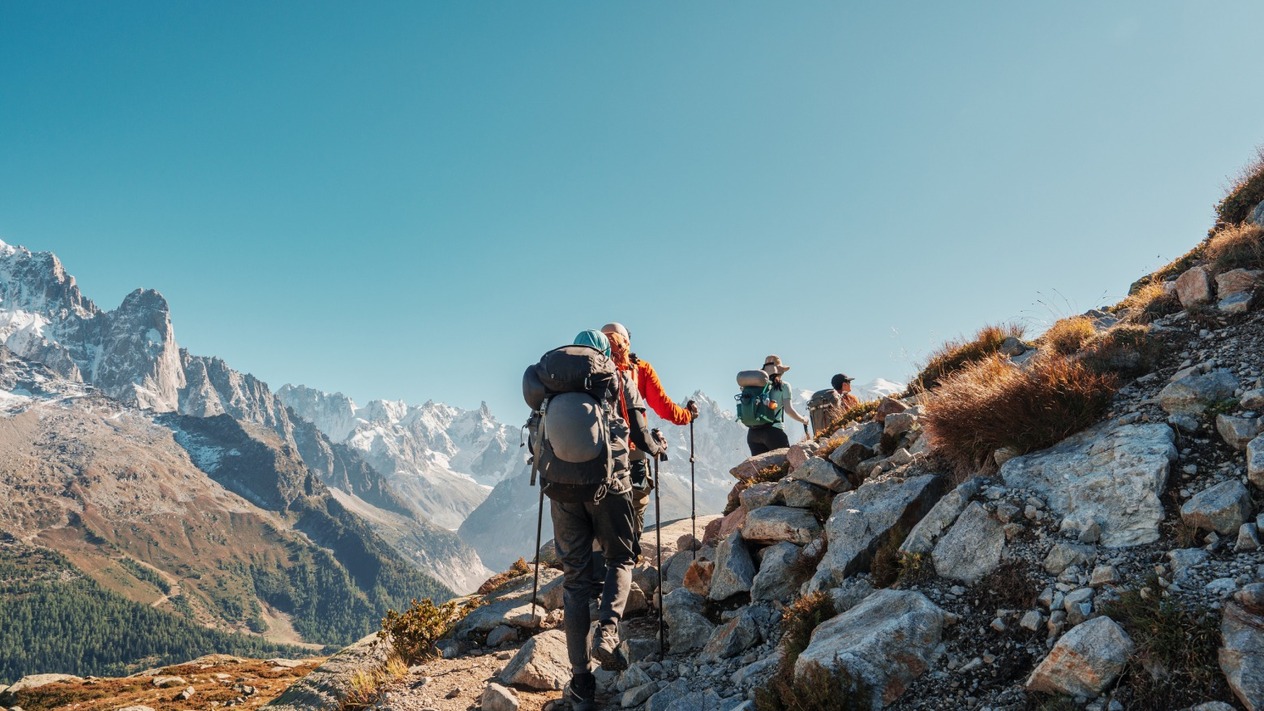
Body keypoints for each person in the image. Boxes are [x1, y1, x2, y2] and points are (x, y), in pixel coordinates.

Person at [553, 330, 666, 711]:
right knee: (620, 558)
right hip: (609, 487)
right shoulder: (616, 377)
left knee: (575, 582)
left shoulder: (555, 386)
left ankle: (582, 683)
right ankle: (607, 630)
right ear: (603, 354)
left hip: (563, 494)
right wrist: (656, 446)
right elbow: (639, 435)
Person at [600, 322, 699, 537]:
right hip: (630, 445)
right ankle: (629, 553)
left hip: (592, 446)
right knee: (637, 499)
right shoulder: (640, 369)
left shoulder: (588, 369)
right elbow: (665, 408)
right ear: (627, 341)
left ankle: (597, 556)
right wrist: (688, 415)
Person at [747, 354, 809, 455]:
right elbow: (789, 410)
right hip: (773, 432)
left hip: (753, 434)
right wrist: (803, 420)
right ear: (780, 371)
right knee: (784, 465)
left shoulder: (755, 386)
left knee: (761, 469)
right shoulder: (783, 386)